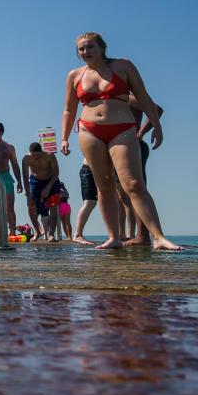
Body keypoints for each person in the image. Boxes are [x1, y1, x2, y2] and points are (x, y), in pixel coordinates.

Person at [61, 32, 180, 250]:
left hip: (122, 129)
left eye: (90, 47)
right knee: (104, 187)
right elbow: (69, 110)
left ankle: (159, 238)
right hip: (90, 132)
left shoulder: (123, 66)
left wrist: (157, 125)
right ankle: (114, 237)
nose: (85, 52)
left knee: (133, 184)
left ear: (102, 48)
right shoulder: (75, 75)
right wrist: (64, 138)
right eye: (81, 49)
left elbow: (143, 96)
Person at [117, 95, 164, 246]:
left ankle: (143, 236)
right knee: (126, 194)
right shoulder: (116, 99)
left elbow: (156, 109)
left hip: (133, 146)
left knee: (136, 191)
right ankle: (139, 235)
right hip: (122, 148)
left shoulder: (127, 97)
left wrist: (141, 132)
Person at [22, 142, 61, 241]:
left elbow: (56, 173)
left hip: (51, 180)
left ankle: (51, 234)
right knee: (30, 206)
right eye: (33, 155)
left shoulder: (49, 155)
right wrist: (28, 193)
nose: (35, 157)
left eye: (37, 155)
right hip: (34, 181)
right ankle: (37, 231)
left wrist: (48, 188)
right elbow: (25, 177)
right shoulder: (26, 159)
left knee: (53, 206)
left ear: (41, 151)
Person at [72, 158, 99, 245]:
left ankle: (116, 235)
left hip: (98, 170)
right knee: (89, 202)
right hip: (89, 170)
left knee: (92, 203)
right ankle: (77, 235)